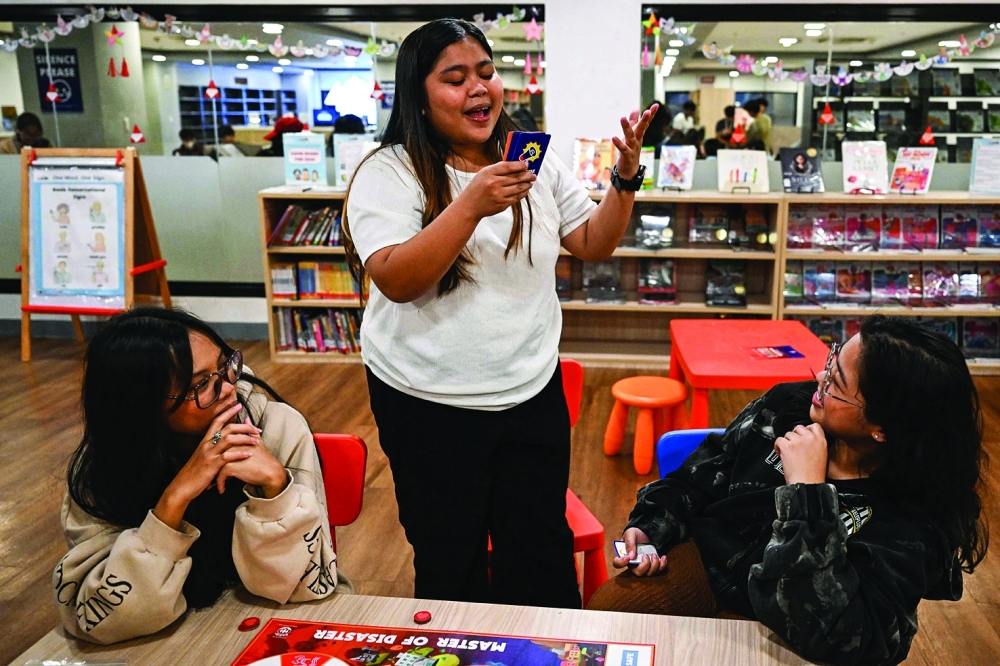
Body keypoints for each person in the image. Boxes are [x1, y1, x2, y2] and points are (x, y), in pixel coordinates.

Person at [341, 18, 655, 609]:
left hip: (529, 390)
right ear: (419, 95)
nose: (479, 89)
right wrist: (471, 204)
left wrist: (625, 177)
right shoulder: (388, 171)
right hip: (426, 400)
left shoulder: (531, 158)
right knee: (449, 557)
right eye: (455, 79)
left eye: (486, 72)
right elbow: (397, 279)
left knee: (538, 550)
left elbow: (591, 242)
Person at [589, 315, 987, 666]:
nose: (819, 379)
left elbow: (839, 634)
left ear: (881, 428)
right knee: (611, 615)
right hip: (710, 568)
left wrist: (807, 494)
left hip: (800, 621)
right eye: (832, 360)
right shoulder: (788, 405)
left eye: (836, 384)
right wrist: (649, 529)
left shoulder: (912, 514)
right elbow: (694, 479)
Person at [53, 307, 350, 645]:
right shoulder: (104, 467)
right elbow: (104, 619)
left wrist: (276, 490)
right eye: (201, 384)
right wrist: (173, 502)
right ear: (140, 406)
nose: (227, 388)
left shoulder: (278, 427)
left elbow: (308, 587)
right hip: (167, 642)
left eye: (225, 365)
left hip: (272, 625)